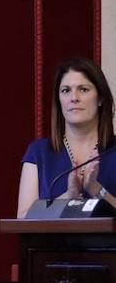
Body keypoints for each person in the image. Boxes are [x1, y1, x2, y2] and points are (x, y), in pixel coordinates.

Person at [16, 57, 116, 217]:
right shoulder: (38, 152)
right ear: (59, 100)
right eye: (66, 90)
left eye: (83, 89)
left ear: (100, 99)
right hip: (53, 243)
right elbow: (23, 218)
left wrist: (96, 190)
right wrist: (69, 196)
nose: (73, 98)